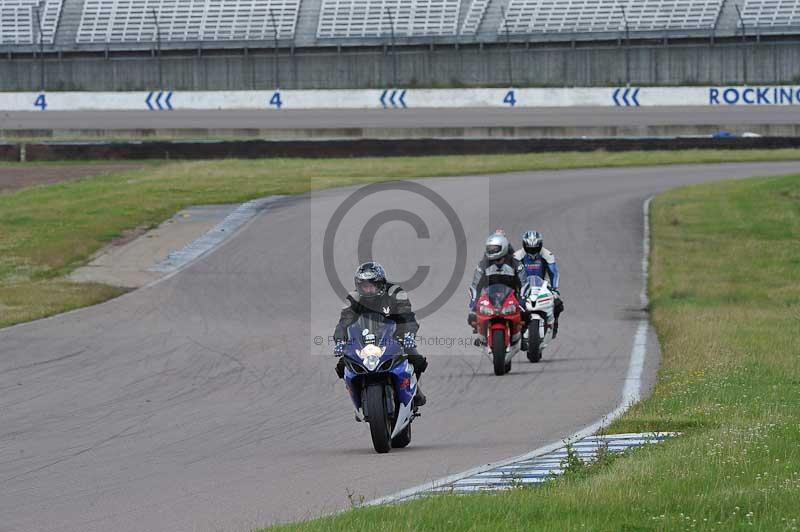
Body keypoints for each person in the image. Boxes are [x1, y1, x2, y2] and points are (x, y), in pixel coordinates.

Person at [333, 261, 427, 406]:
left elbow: (407, 316)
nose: (368, 290)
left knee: (417, 359)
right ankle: (359, 400)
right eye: (364, 286)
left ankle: (414, 391)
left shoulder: (395, 293)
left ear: (381, 284)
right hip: (364, 339)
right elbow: (344, 322)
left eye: (371, 285)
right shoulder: (354, 298)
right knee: (341, 366)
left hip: (395, 335)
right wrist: (340, 341)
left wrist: (408, 335)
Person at [467, 232, 529, 329]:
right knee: (472, 318)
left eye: (494, 249)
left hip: (512, 298)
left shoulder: (516, 264)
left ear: (503, 248)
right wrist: (474, 303)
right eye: (489, 249)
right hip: (489, 297)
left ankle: (523, 337)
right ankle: (482, 334)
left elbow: (524, 284)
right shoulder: (483, 265)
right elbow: (475, 286)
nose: (491, 251)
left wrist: (522, 301)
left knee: (527, 316)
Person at [513, 230, 564, 338]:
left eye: (535, 248)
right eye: (530, 248)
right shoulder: (517, 256)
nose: (532, 251)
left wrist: (555, 289)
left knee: (558, 304)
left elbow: (554, 273)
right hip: (522, 286)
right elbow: (512, 274)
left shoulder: (547, 255)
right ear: (524, 245)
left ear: (540, 245)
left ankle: (554, 325)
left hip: (542, 284)